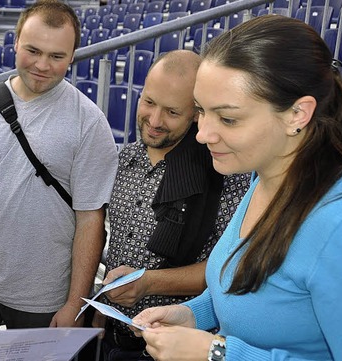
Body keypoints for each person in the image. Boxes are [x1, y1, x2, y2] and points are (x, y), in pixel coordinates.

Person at [133, 15, 342, 361]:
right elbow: (254, 295)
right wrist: (194, 314)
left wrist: (218, 353)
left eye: (228, 118)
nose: (202, 134)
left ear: (297, 114)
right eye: (201, 111)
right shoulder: (265, 172)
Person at [0, 0, 118, 329]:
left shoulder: (89, 123)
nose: (42, 65)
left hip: (45, 299)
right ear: (16, 41)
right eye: (33, 50)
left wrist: (75, 304)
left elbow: (91, 221)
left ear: (73, 56)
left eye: (56, 56)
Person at [97, 50, 250, 360]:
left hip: (180, 347)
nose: (155, 120)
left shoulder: (225, 177)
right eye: (149, 102)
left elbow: (227, 268)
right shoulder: (123, 160)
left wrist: (148, 283)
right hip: (116, 337)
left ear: (196, 113)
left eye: (171, 112)